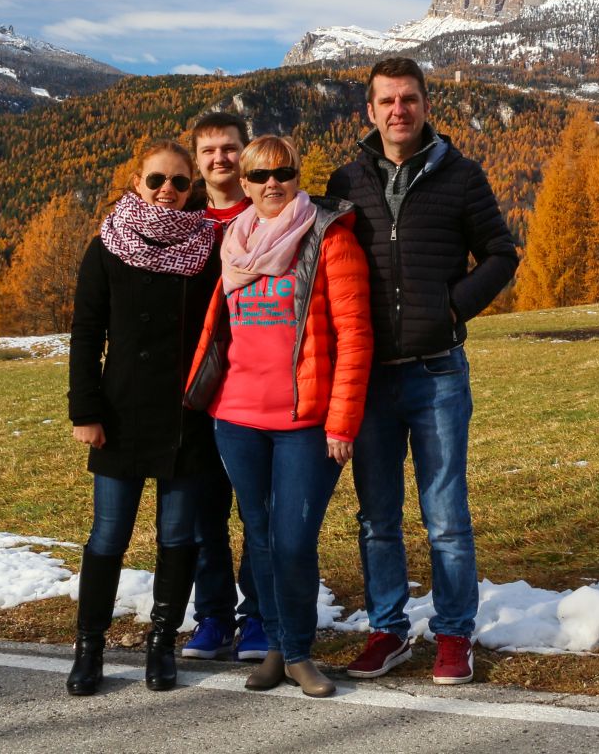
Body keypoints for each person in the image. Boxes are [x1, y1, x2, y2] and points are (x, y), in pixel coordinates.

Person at [326, 57, 518, 685]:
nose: (398, 110)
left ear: (425, 104)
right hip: (371, 376)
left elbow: (500, 252)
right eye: (386, 101)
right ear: (370, 110)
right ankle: (387, 632)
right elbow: (323, 263)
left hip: (438, 372)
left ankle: (454, 635)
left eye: (408, 99)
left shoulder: (459, 174)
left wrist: (453, 306)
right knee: (376, 515)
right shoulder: (345, 179)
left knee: (445, 516)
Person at [185, 135, 372, 698]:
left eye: (284, 173)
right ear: (243, 183)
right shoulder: (233, 243)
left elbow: (355, 336)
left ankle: (298, 653)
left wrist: (341, 423)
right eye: (260, 175)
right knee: (261, 536)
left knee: (293, 539)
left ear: (297, 177)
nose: (273, 183)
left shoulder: (328, 238)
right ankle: (274, 648)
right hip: (237, 418)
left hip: (306, 422)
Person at [65, 139, 220, 696]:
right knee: (108, 537)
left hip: (185, 416)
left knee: (177, 537)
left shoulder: (208, 246)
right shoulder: (107, 244)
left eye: (179, 182)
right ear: (137, 181)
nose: (167, 191)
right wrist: (85, 409)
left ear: (191, 188)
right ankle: (90, 648)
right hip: (121, 413)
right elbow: (86, 333)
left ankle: (161, 644)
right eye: (156, 180)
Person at [181, 112, 268, 663]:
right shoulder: (181, 221)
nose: (220, 159)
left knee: (258, 509)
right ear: (197, 160)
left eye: (230, 148)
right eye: (209, 150)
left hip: (255, 384)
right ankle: (212, 618)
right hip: (194, 389)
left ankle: (257, 616)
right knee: (201, 511)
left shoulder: (269, 212)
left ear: (246, 151)